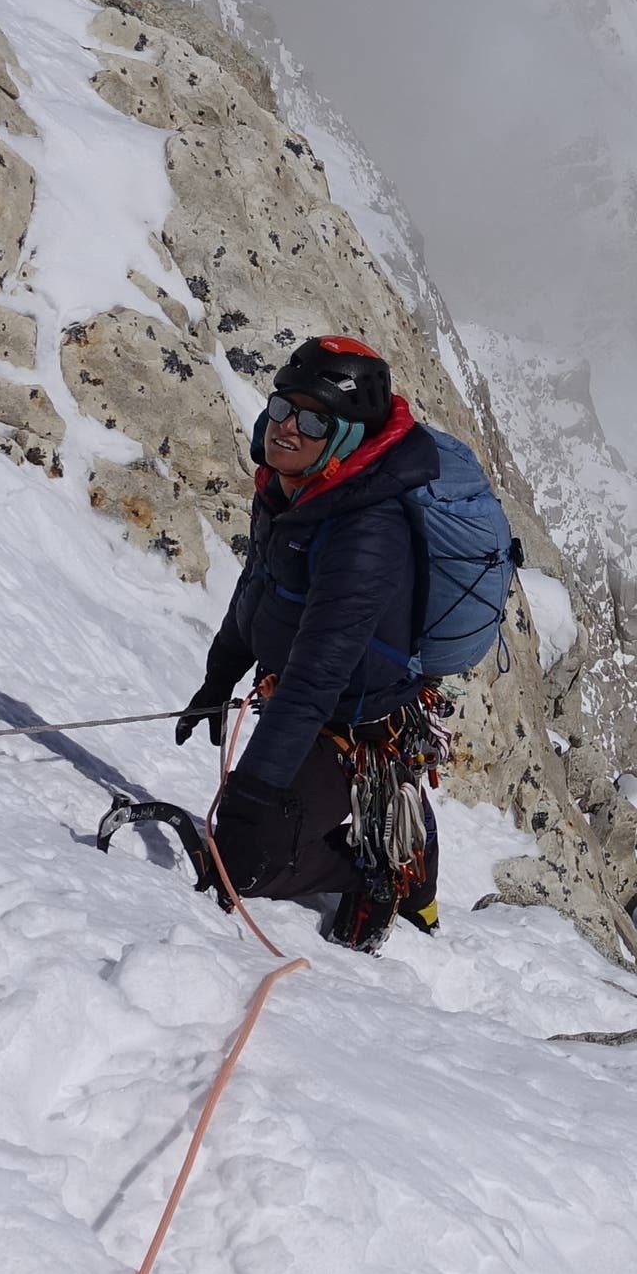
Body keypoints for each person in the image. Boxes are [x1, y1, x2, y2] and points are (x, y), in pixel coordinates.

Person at [174, 335, 445, 949]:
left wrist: (250, 797)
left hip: (359, 723)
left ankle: (374, 872)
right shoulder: (287, 485)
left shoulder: (366, 531)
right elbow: (259, 589)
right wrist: (219, 678)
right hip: (308, 704)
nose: (288, 428)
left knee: (245, 858)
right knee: (243, 838)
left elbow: (316, 680)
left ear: (348, 439)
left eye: (315, 419)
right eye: (282, 407)